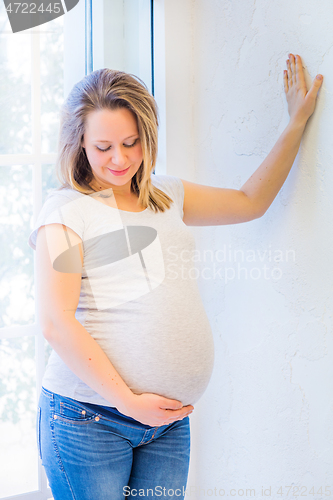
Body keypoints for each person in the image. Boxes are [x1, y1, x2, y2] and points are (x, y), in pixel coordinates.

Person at [28, 53, 323, 499]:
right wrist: (129, 402)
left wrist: (296, 123)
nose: (120, 159)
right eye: (103, 146)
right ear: (80, 144)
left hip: (166, 423)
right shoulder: (65, 212)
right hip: (89, 420)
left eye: (131, 143)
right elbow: (56, 322)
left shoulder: (165, 195)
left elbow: (250, 201)